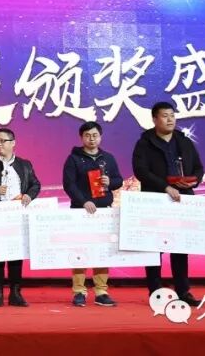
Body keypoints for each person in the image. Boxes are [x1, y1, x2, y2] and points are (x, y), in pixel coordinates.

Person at [132, 101, 205, 307]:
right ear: (155, 119)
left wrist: (193, 181)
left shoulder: (184, 141)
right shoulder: (144, 143)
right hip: (155, 200)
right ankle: (156, 291)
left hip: (182, 200)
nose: (170, 119)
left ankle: (183, 291)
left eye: (172, 115)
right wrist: (164, 187)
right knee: (154, 248)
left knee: (180, 246)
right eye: (165, 116)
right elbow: (140, 171)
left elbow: (198, 168)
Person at [0, 127, 41, 308]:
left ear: (13, 143)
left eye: (2, 141)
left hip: (17, 216)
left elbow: (36, 184)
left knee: (15, 255)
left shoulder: (25, 165)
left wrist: (28, 195)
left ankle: (15, 293)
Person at [62, 121, 124, 307]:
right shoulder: (73, 159)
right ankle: (79, 291)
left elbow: (119, 180)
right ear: (81, 138)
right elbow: (69, 184)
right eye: (87, 135)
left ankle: (101, 291)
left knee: (102, 251)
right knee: (80, 250)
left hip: (104, 212)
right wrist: (84, 201)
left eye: (95, 135)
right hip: (81, 212)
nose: (91, 139)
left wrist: (110, 182)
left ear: (100, 137)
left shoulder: (108, 158)